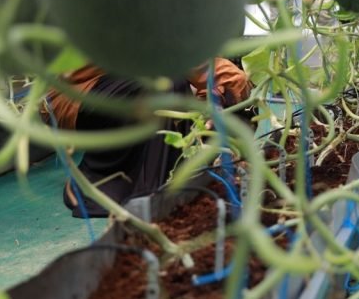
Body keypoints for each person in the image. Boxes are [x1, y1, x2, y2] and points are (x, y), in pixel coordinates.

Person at [48, 59, 251, 217]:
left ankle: (182, 175)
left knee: (228, 98)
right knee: (164, 81)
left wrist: (220, 92)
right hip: (80, 93)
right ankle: (148, 195)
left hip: (130, 78)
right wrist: (226, 79)